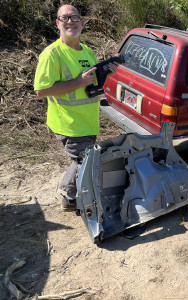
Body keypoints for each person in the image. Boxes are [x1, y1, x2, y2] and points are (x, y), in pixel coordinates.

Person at [34, 4, 118, 211]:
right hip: (69, 124)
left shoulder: (88, 51)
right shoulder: (52, 54)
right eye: (64, 18)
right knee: (86, 163)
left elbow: (91, 83)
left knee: (83, 160)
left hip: (87, 122)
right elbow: (41, 90)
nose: (70, 21)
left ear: (82, 23)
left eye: (74, 17)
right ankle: (76, 201)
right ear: (57, 24)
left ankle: (68, 193)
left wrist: (106, 73)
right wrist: (79, 82)